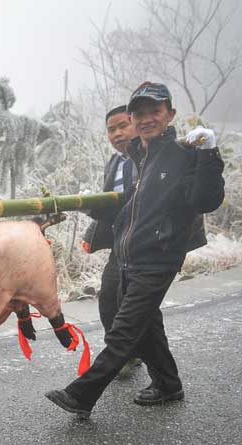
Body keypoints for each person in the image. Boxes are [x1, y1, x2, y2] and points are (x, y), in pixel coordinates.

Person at [45, 82, 225, 417]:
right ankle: (169, 385)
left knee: (124, 330)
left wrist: (209, 153)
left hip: (159, 256)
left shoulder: (182, 154)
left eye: (155, 111)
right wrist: (93, 210)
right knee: (146, 325)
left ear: (170, 114)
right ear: (132, 117)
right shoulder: (141, 156)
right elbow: (132, 207)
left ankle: (82, 395)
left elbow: (205, 200)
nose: (146, 119)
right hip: (130, 255)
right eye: (139, 113)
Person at [81, 104, 142, 377]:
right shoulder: (116, 162)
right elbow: (114, 206)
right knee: (109, 299)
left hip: (145, 244)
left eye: (122, 126)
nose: (117, 134)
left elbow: (134, 202)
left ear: (136, 123)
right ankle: (133, 355)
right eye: (111, 129)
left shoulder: (149, 157)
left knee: (133, 306)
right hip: (122, 244)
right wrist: (91, 231)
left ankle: (123, 358)